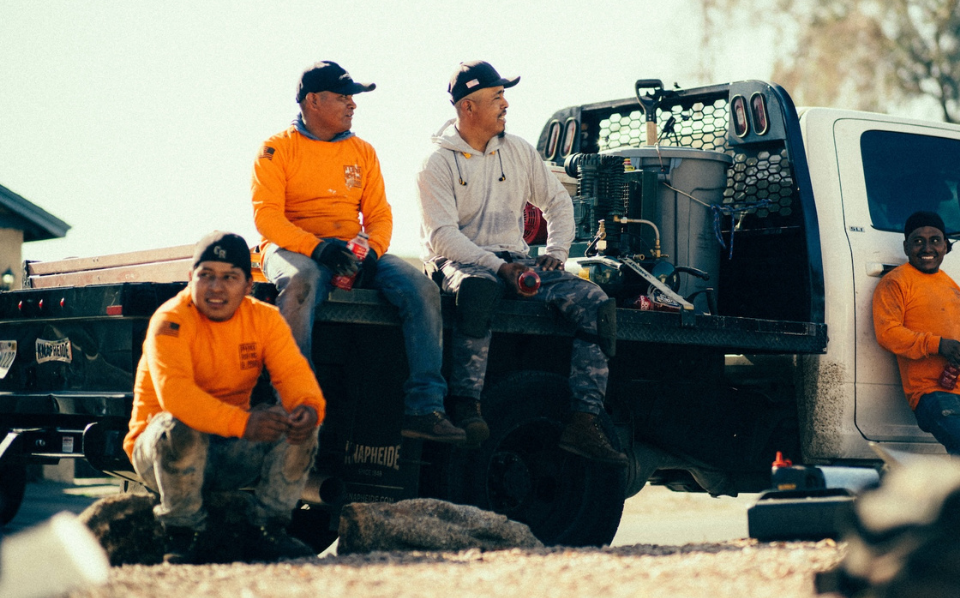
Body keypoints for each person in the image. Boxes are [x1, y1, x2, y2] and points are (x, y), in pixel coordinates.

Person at [416, 60, 627, 464]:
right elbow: (443, 238)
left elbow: (558, 202)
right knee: (479, 290)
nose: (505, 103)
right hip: (458, 263)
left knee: (597, 306)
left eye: (503, 95)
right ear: (468, 107)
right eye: (496, 96)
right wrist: (498, 268)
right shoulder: (436, 162)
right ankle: (466, 407)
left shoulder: (518, 151)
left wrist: (555, 254)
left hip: (516, 263)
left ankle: (583, 423)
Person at [252, 61, 464, 443]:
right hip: (292, 248)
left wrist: (371, 252)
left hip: (352, 249)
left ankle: (425, 408)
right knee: (301, 281)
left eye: (353, 97)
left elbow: (380, 215)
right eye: (343, 97)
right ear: (313, 101)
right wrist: (318, 248)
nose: (353, 105)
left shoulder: (363, 151)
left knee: (422, 288)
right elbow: (267, 218)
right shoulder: (276, 148)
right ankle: (297, 402)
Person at [123, 232, 327, 564]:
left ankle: (268, 531)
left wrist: (307, 407)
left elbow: (295, 377)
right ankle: (182, 532)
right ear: (191, 279)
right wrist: (245, 423)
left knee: (300, 419)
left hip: (229, 449)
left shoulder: (264, 319)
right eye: (207, 276)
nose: (217, 287)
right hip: (160, 454)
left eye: (230, 277)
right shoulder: (170, 320)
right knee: (178, 424)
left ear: (249, 285)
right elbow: (177, 397)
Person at [873, 212, 960, 462]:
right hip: (933, 392)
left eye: (935, 240)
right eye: (918, 241)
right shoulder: (895, 282)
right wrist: (938, 345)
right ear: (906, 246)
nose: (927, 247)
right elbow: (887, 334)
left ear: (946, 246)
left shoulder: (953, 287)